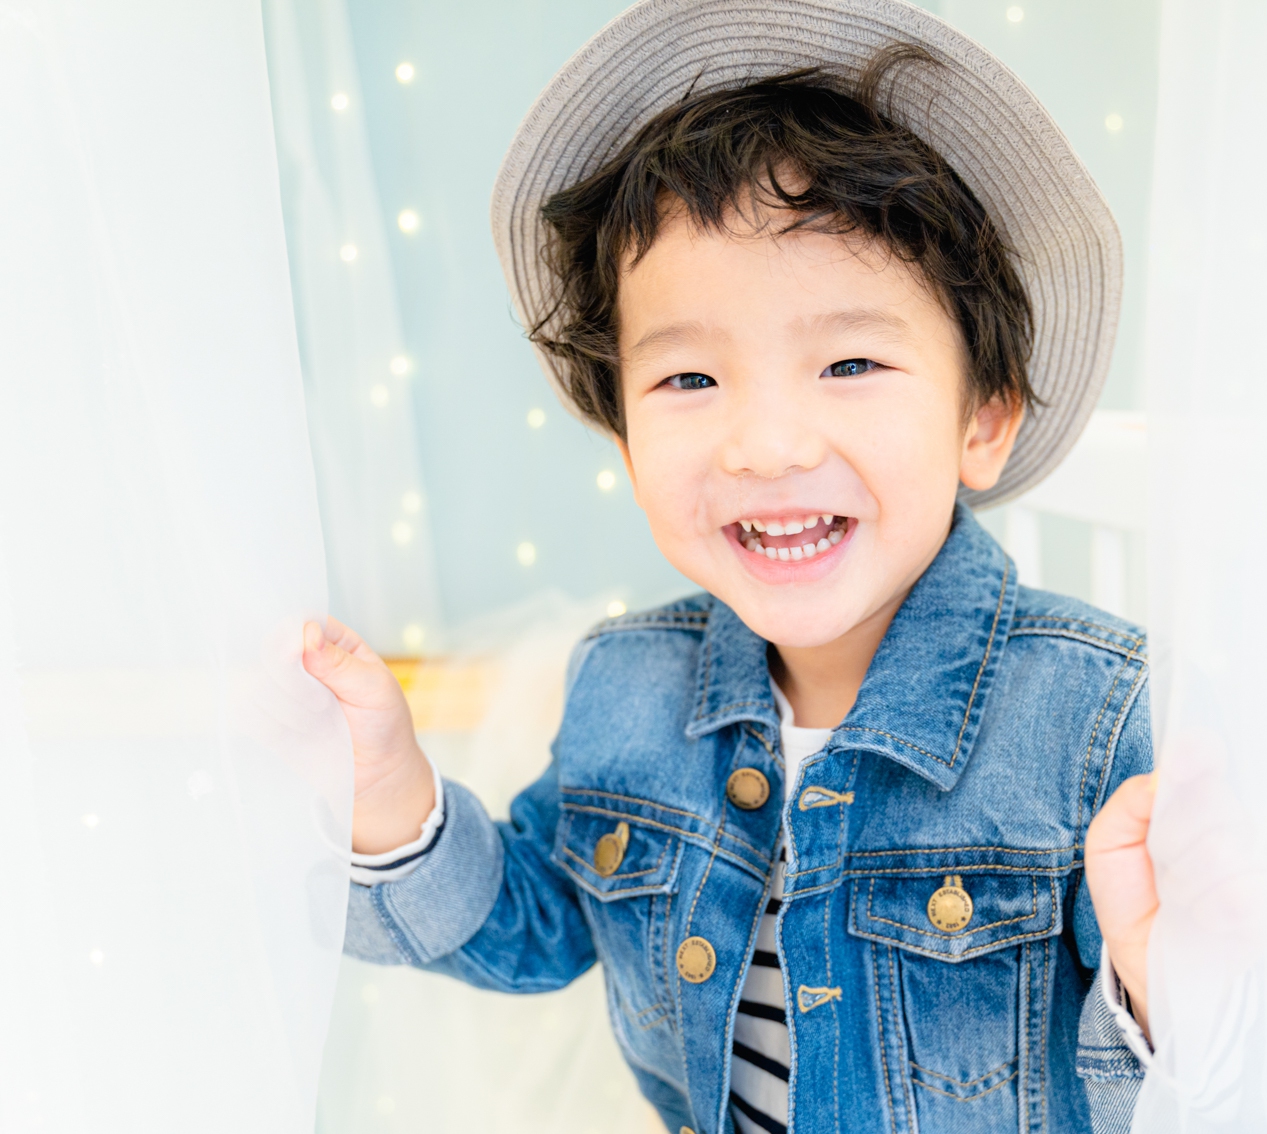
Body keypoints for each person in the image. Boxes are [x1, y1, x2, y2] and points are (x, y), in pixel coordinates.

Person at [304, 2, 1159, 1130]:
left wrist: (1162, 987)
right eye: (690, 381)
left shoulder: (1097, 718)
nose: (765, 446)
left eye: (849, 364)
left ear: (984, 419)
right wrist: (388, 796)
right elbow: (528, 927)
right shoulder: (624, 687)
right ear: (624, 443)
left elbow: (1185, 1087)